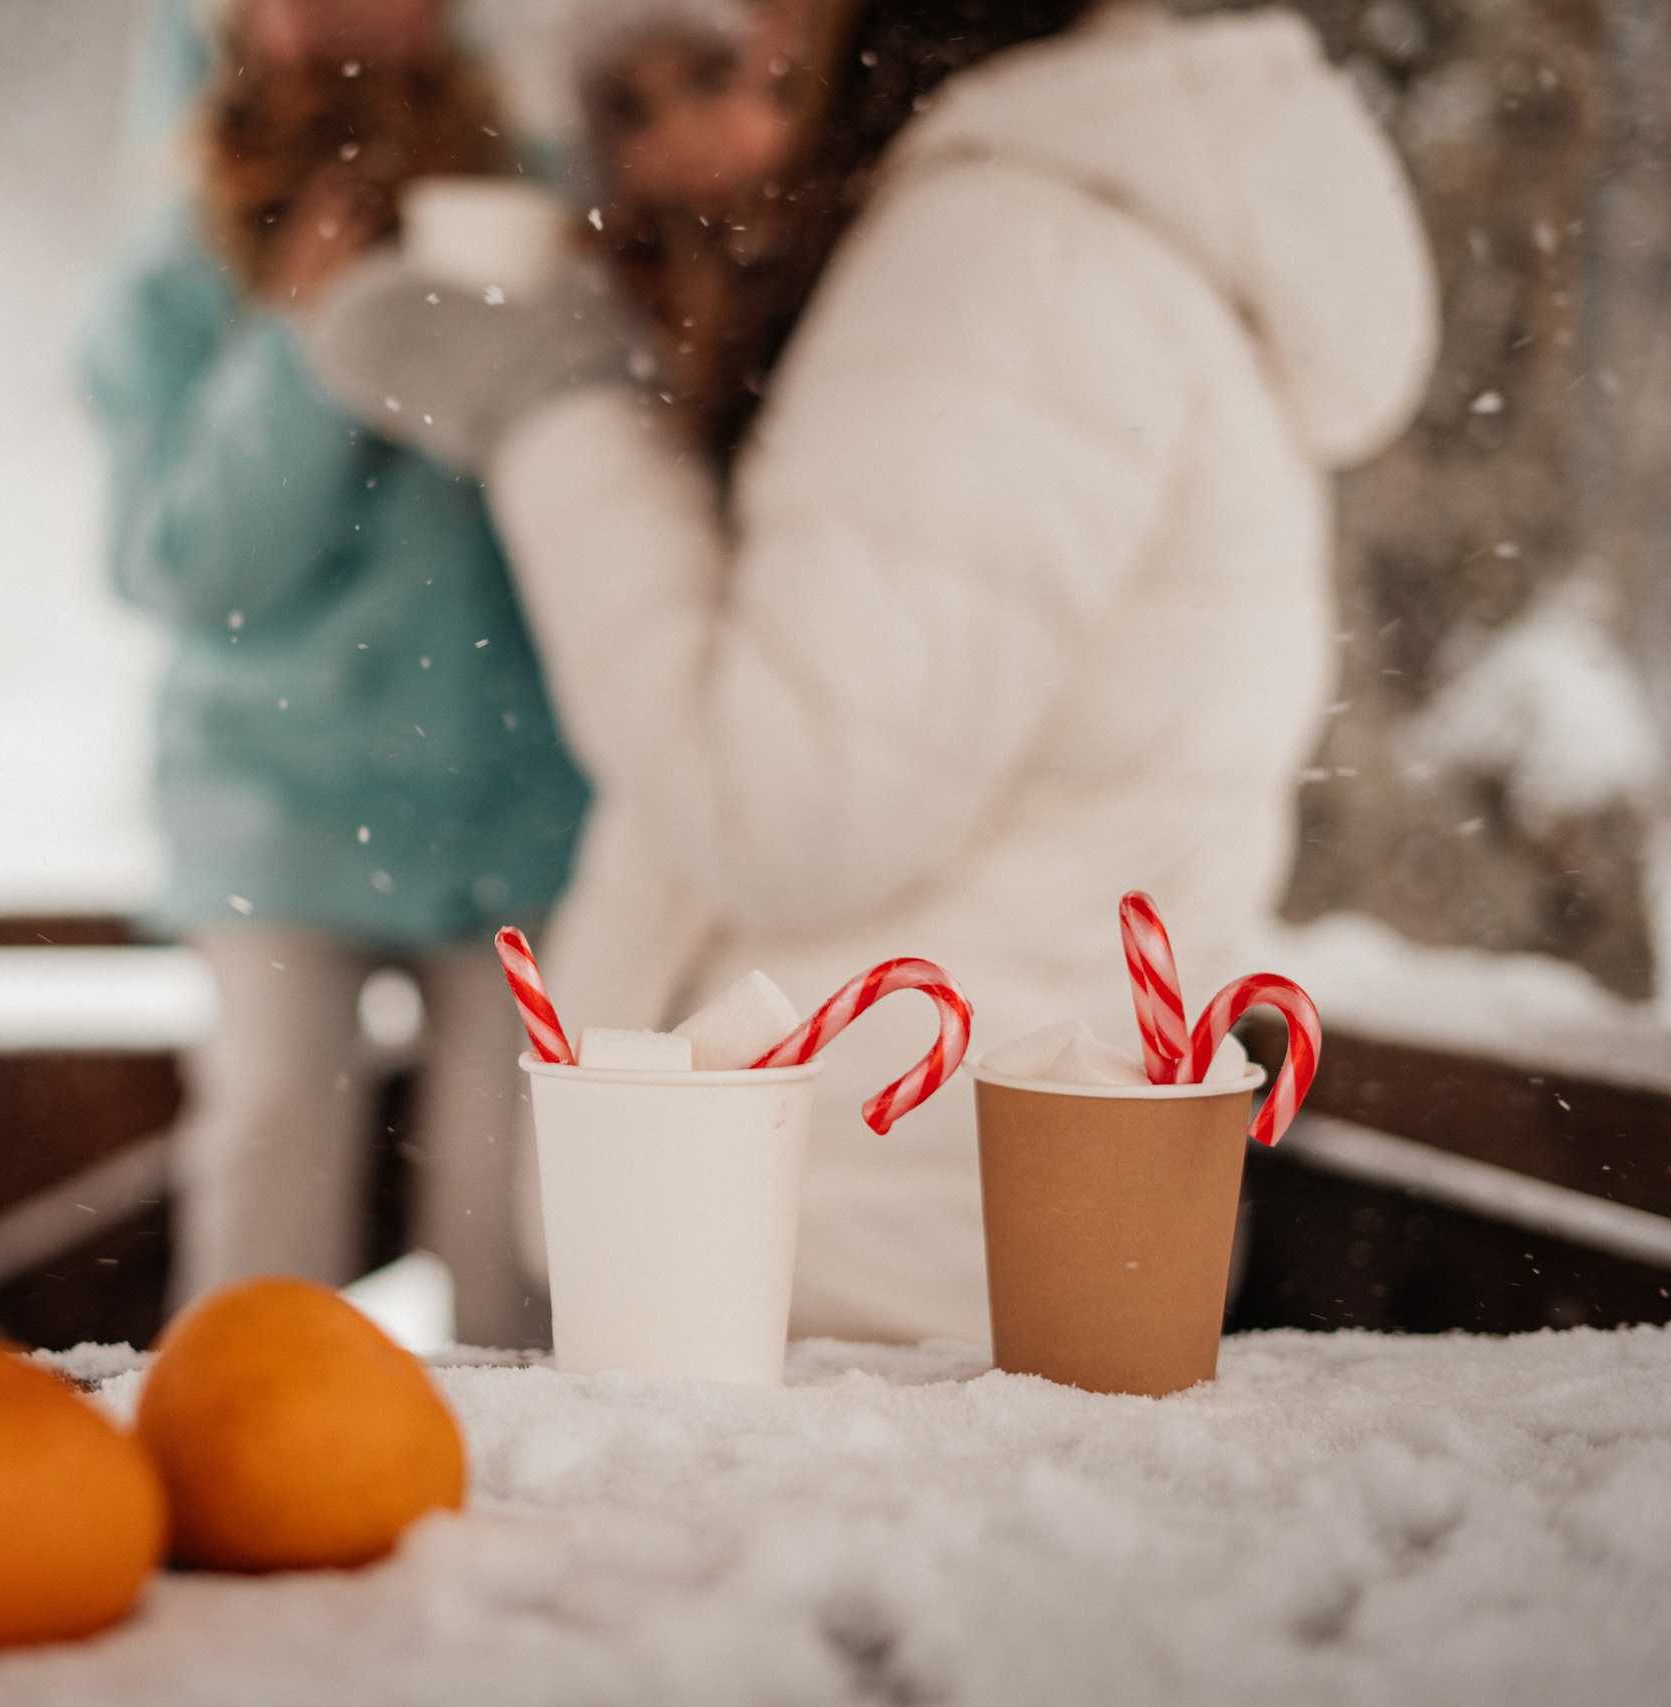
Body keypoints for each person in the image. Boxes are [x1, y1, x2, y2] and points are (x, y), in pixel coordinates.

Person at [306, 0, 1436, 1342]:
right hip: (906, 1239)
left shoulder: (1012, 267)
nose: (761, 25)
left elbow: (783, 807)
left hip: (856, 1273)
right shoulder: (1063, 237)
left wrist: (560, 409)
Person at [82, 0, 590, 1347]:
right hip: (275, 803)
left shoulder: (541, 205)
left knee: (521, 1206)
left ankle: (527, 1483)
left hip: (518, 799)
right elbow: (187, 566)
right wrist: (311, 344)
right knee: (270, 1142)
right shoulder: (174, 278)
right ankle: (244, 1429)